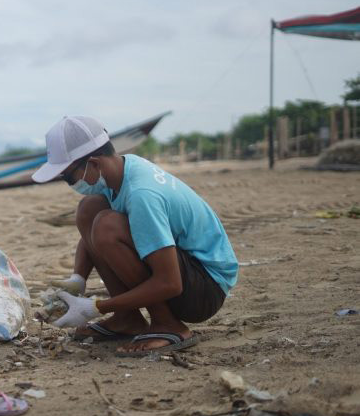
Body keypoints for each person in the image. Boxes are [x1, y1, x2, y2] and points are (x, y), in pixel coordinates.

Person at [31, 116, 238, 356]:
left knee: (107, 226)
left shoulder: (142, 194)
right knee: (89, 208)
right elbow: (90, 237)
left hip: (206, 288)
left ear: (94, 163)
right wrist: (78, 278)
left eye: (68, 177)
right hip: (187, 273)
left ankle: (168, 325)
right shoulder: (122, 171)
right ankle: (126, 318)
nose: (69, 183)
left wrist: (97, 307)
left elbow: (170, 283)